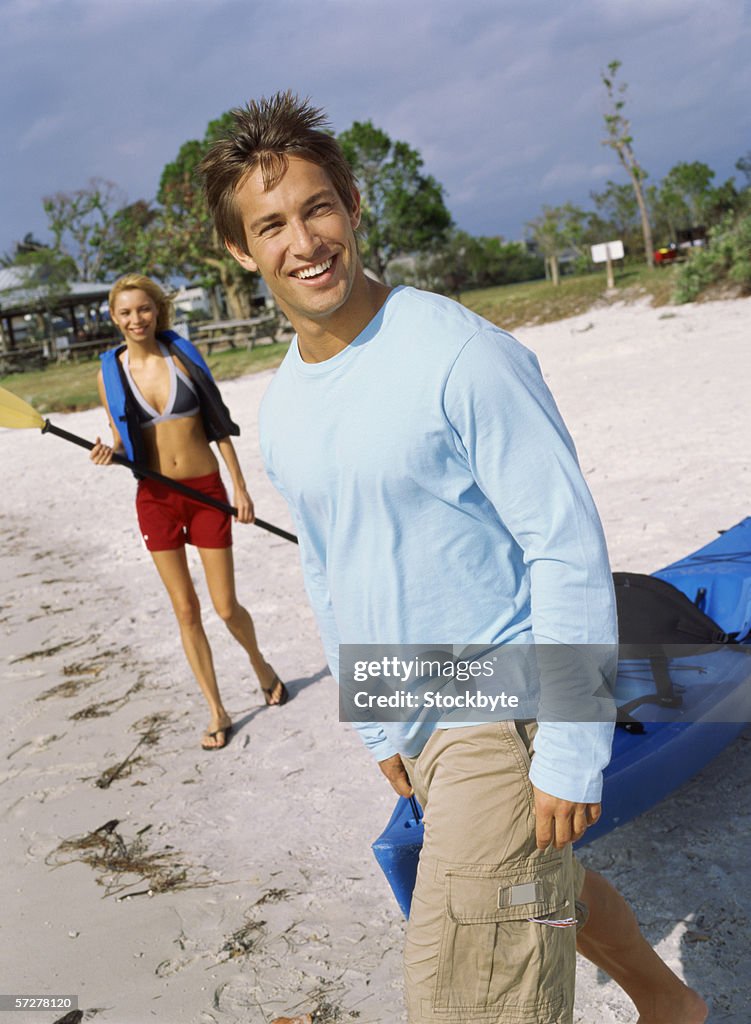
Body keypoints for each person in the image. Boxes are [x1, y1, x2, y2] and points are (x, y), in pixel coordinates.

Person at [199, 93, 708, 1023]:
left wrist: (567, 743)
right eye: (271, 224)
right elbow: (334, 566)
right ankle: (670, 1006)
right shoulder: (285, 405)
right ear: (241, 250)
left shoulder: (458, 356)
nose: (303, 241)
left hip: (508, 706)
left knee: (468, 994)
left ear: (352, 203)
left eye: (316, 207)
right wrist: (377, 719)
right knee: (535, 895)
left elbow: (563, 548)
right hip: (415, 703)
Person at [90, 273, 287, 751]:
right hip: (155, 498)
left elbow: (218, 425)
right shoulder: (108, 373)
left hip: (205, 492)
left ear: (157, 311)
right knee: (186, 609)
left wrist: (239, 487)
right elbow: (123, 443)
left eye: (144, 309)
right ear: (114, 318)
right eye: (126, 312)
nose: (136, 319)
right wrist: (108, 453)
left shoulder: (181, 356)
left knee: (224, 605)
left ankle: (260, 665)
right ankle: (217, 710)